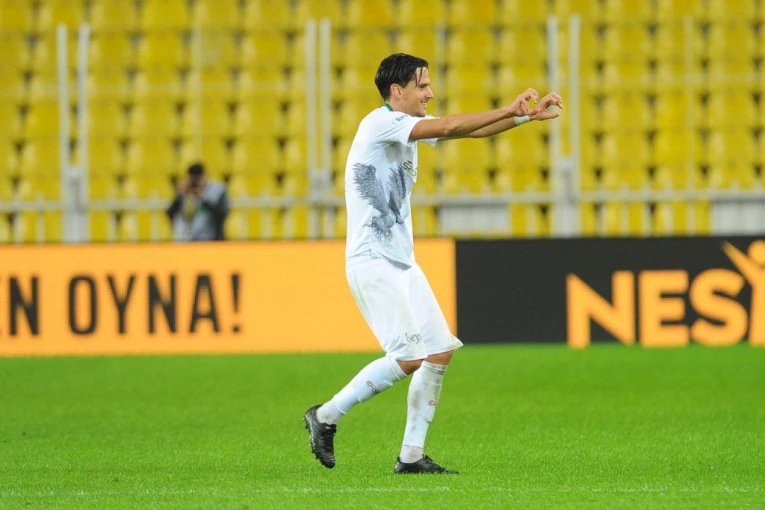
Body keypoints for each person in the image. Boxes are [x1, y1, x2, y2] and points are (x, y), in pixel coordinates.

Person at [304, 53, 563, 474]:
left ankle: (411, 456)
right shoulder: (380, 123)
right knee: (408, 356)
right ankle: (326, 415)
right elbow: (448, 126)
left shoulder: (406, 126)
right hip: (372, 260)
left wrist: (522, 117)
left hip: (403, 262)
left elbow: (468, 132)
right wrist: (506, 107)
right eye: (422, 86)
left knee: (439, 351)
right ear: (397, 91)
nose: (430, 93)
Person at [166, 162, 229, 242]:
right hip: (189, 239)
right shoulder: (185, 192)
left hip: (213, 239)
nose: (195, 182)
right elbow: (170, 213)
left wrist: (201, 196)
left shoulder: (217, 190)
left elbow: (221, 214)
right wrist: (180, 195)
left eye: (198, 178)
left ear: (204, 175)